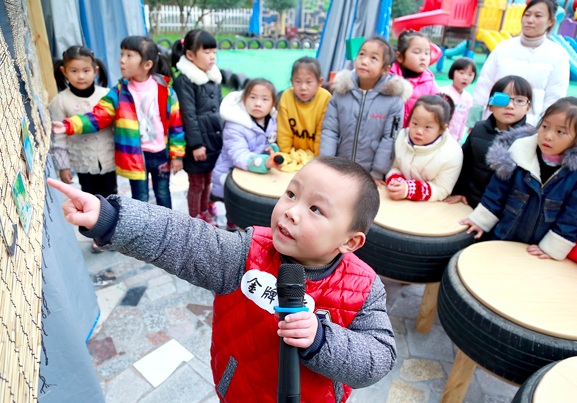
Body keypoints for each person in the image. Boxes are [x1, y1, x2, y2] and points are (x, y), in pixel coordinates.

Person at [47, 156, 397, 403]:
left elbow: (378, 358)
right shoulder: (245, 254)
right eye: (291, 194)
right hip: (239, 391)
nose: (291, 210)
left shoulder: (363, 287)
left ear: (350, 242)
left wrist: (322, 339)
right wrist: (112, 219)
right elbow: (182, 240)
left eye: (315, 209)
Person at [52, 36, 185, 209]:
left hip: (161, 154)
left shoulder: (166, 91)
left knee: (162, 193)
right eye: (122, 54)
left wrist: (177, 155)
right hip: (134, 155)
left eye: (129, 55)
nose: (122, 60)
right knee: (139, 198)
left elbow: (176, 125)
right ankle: (142, 234)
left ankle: (167, 231)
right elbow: (98, 117)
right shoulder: (118, 92)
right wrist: (69, 125)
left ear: (147, 65)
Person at [461, 97, 577, 261]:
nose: (548, 136)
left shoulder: (573, 174)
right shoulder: (519, 153)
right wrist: (481, 220)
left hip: (538, 251)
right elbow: (496, 192)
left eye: (560, 132)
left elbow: (572, 216)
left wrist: (552, 248)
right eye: (545, 126)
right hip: (503, 237)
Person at [320, 36, 412, 187]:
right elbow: (330, 130)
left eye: (373, 58)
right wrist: (326, 164)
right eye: (361, 54)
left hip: (369, 174)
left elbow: (389, 139)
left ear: (385, 69)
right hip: (338, 169)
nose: (364, 61)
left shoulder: (393, 99)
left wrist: (377, 172)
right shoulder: (342, 91)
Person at [50, 45, 114, 253]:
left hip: (107, 157)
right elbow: (58, 137)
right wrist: (63, 166)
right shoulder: (60, 101)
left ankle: (113, 234)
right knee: (89, 198)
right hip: (82, 162)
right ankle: (97, 236)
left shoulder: (107, 95)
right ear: (64, 72)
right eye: (74, 71)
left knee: (110, 197)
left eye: (86, 71)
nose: (80, 76)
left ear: (95, 70)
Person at [466, 0, 568, 127]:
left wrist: (543, 128)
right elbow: (484, 85)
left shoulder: (558, 55)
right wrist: (473, 122)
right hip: (494, 124)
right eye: (527, 14)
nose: (530, 20)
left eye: (538, 16)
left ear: (550, 21)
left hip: (529, 128)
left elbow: (555, 96)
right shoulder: (503, 48)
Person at [445, 75, 532, 208]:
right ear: (490, 105)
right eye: (502, 99)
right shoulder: (478, 129)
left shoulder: (530, 139)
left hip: (502, 210)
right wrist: (459, 191)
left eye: (519, 100)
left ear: (528, 107)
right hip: (469, 201)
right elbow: (464, 163)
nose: (510, 106)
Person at [171, 29, 223, 225]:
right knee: (197, 184)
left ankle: (204, 211)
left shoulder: (213, 78)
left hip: (213, 141)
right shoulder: (184, 81)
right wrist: (196, 144)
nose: (212, 56)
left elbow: (220, 109)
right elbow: (188, 115)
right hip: (198, 144)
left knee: (208, 180)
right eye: (207, 52)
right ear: (190, 55)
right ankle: (195, 220)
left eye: (214, 52)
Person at [212, 78, 280, 229]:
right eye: (253, 97)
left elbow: (271, 142)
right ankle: (228, 223)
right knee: (233, 207)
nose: (258, 103)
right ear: (244, 99)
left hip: (253, 172)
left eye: (265, 99)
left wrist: (273, 151)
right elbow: (238, 155)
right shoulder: (235, 124)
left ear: (273, 104)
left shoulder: (272, 122)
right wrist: (264, 162)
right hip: (231, 172)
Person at [386, 94, 463, 201]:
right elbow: (395, 167)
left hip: (429, 209)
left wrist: (409, 190)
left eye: (427, 127)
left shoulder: (452, 153)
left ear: (443, 128)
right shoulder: (402, 137)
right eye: (415, 123)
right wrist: (396, 181)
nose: (418, 131)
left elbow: (441, 189)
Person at [277, 56, 332, 156]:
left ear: (320, 82)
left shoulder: (325, 98)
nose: (303, 87)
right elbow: (283, 131)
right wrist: (285, 155)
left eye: (309, 82)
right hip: (292, 154)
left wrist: (317, 159)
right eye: (298, 82)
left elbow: (323, 133)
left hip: (315, 155)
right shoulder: (286, 96)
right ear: (292, 81)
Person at [390, 30, 440, 127]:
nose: (423, 57)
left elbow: (440, 110)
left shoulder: (430, 84)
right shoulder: (389, 77)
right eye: (417, 52)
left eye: (427, 53)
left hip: (413, 136)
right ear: (400, 56)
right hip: (387, 133)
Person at [440, 57, 476, 143]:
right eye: (462, 73)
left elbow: (465, 120)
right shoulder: (443, 92)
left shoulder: (468, 98)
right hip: (440, 135)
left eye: (470, 74)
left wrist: (460, 137)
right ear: (452, 72)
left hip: (455, 139)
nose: (465, 77)